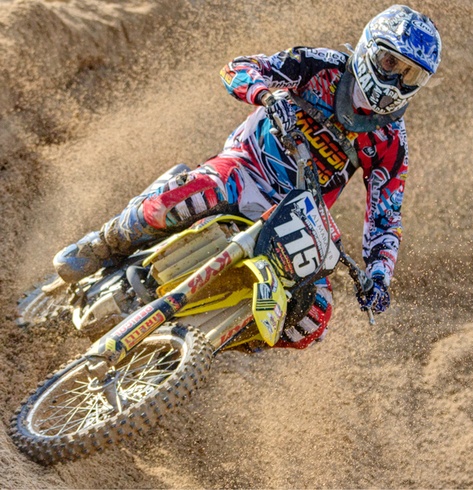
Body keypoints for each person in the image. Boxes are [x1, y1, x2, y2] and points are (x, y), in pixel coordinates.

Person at [53, 4, 442, 349]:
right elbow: (238, 68)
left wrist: (379, 276)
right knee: (184, 201)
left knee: (313, 318)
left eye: (410, 75)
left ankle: (209, 349)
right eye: (390, 63)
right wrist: (267, 95)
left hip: (294, 215)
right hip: (246, 167)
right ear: (369, 47)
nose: (394, 82)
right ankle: (104, 243)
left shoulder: (391, 142)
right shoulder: (319, 66)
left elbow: (385, 218)